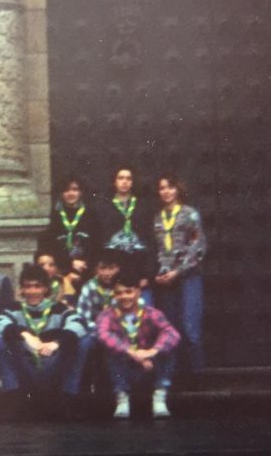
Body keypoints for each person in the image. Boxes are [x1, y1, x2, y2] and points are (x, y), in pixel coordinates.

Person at [0, 264, 86, 418]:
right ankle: (12, 394)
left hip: (51, 365)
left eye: (37, 286)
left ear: (45, 288)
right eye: (28, 286)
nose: (32, 291)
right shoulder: (14, 308)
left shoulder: (58, 308)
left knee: (84, 340)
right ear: (22, 289)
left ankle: (69, 395)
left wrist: (56, 343)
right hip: (26, 367)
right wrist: (26, 335)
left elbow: (79, 325)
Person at [97, 274, 180, 419]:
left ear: (138, 291)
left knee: (168, 348)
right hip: (123, 366)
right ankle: (122, 398)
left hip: (149, 365)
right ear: (114, 295)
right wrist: (131, 352)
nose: (124, 297)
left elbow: (172, 333)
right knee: (110, 351)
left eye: (128, 292)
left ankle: (159, 396)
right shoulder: (107, 315)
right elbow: (103, 334)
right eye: (119, 293)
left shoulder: (151, 312)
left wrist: (152, 352)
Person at [152, 173, 207, 373]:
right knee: (170, 329)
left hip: (187, 277)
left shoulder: (189, 214)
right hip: (167, 281)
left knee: (190, 326)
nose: (166, 192)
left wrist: (178, 271)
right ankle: (172, 376)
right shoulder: (157, 218)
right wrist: (159, 273)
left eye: (170, 187)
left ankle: (197, 375)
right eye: (162, 188)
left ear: (177, 189)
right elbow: (158, 249)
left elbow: (198, 247)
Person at [69, 248, 127, 395]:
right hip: (93, 332)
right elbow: (83, 317)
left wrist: (110, 333)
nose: (107, 273)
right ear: (96, 269)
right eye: (103, 268)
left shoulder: (123, 289)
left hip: (117, 332)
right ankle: (78, 389)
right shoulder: (89, 287)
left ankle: (119, 388)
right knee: (84, 345)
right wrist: (101, 332)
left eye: (111, 268)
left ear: (119, 268)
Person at [98, 166, 155, 304]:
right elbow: (99, 239)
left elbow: (150, 240)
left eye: (128, 179)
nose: (124, 182)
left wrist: (148, 274)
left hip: (138, 269)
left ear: (133, 182)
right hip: (114, 271)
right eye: (121, 178)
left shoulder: (143, 206)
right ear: (114, 181)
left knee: (143, 310)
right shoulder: (104, 207)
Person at [40, 175, 101, 298]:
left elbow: (97, 243)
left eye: (74, 189)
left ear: (81, 192)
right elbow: (51, 245)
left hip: (86, 270)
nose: (70, 193)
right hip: (62, 270)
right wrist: (70, 263)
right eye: (66, 190)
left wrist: (86, 264)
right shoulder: (56, 215)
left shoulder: (90, 215)